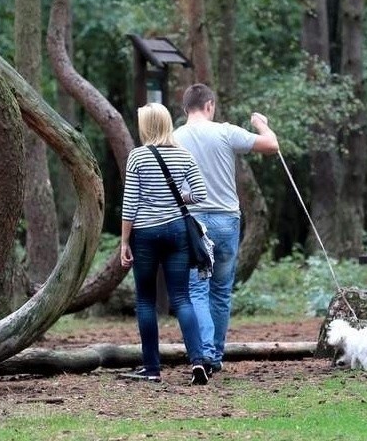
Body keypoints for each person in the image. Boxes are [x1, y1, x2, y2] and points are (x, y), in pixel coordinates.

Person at [174, 84, 279, 375]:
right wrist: (261, 125)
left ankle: (205, 354)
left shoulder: (174, 137)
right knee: (220, 289)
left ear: (185, 110)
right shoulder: (225, 131)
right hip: (226, 221)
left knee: (197, 288)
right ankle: (215, 355)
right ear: (210, 105)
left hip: (193, 222)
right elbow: (271, 145)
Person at [120, 102, 209, 385]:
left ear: (146, 126)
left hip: (145, 234)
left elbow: (130, 203)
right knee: (181, 297)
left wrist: (124, 241)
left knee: (146, 300)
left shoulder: (137, 157)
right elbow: (201, 193)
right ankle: (198, 362)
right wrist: (176, 198)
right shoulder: (183, 156)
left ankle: (152, 369)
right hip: (176, 231)